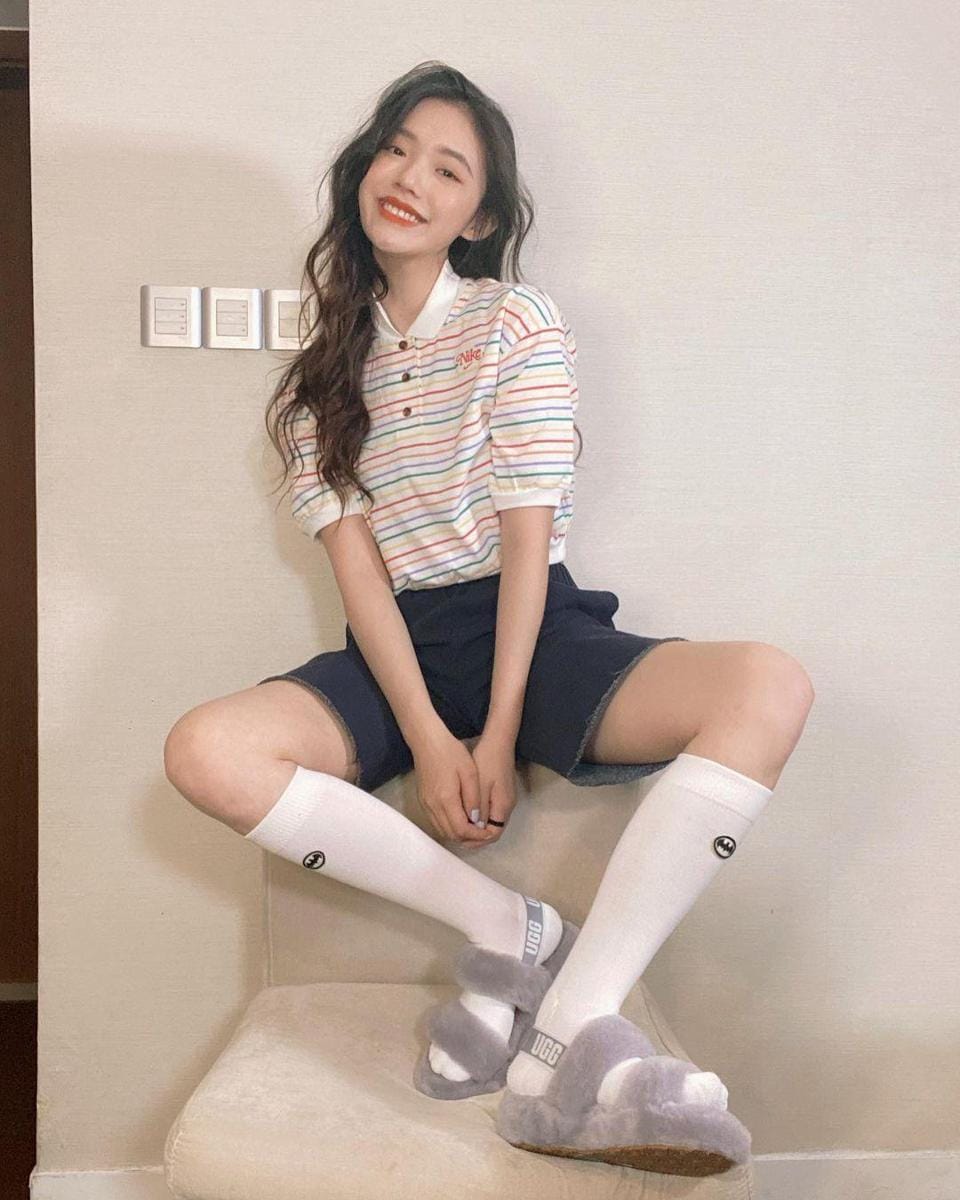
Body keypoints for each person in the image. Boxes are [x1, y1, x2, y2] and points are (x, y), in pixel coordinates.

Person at [163, 61, 815, 1176]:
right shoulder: (319, 378)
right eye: (396, 149)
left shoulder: (515, 323)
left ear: (480, 216)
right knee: (203, 751)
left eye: (448, 168)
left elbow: (526, 539)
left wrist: (500, 727)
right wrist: (427, 735)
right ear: (364, 168)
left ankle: (568, 1031)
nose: (410, 178)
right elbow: (360, 577)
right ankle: (507, 928)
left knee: (769, 685)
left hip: (532, 628)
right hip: (400, 644)